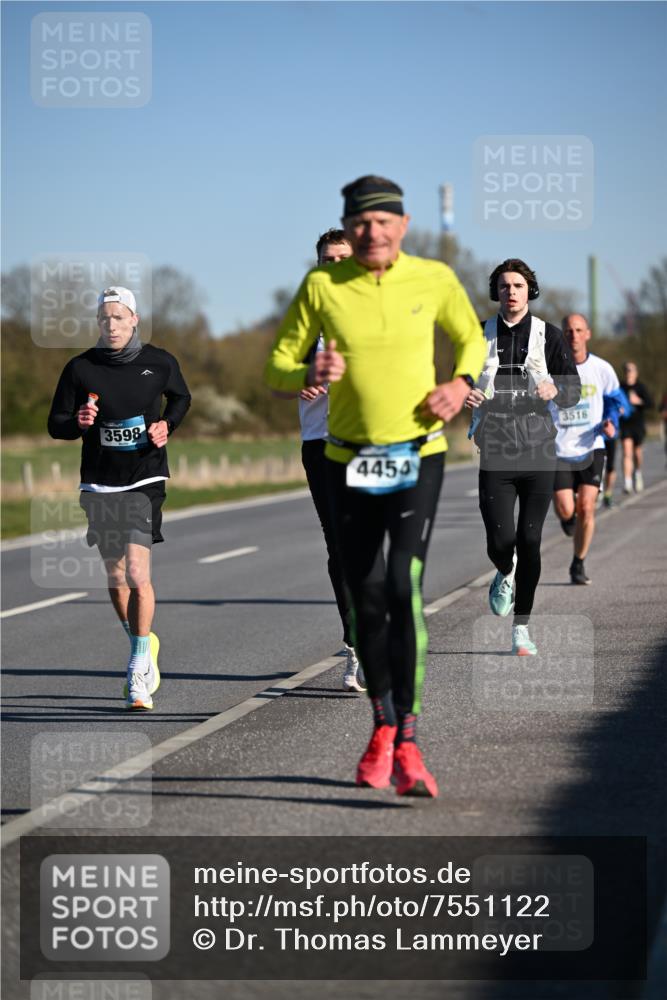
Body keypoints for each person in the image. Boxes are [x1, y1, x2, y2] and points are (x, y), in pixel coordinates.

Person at [265, 175, 486, 798]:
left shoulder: (435, 279)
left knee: (401, 582)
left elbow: (471, 337)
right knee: (363, 588)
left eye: (382, 221)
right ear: (348, 225)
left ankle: (410, 740)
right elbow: (274, 367)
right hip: (343, 456)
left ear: (403, 225)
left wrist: (462, 383)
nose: (371, 232)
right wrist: (305, 370)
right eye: (359, 222)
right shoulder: (320, 287)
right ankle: (382, 726)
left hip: (419, 451)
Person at [48, 286, 191, 710]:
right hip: (99, 482)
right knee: (115, 579)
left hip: (144, 478)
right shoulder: (80, 368)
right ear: (98, 323)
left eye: (119, 316)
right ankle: (143, 642)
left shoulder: (159, 362)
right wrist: (78, 421)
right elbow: (56, 424)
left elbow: (181, 398)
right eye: (104, 318)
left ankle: (137, 669)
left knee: (136, 571)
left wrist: (168, 425)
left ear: (134, 321)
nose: (111, 324)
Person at [465, 260, 581, 652]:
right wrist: (464, 391)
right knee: (501, 542)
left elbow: (573, 390)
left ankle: (522, 627)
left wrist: (556, 391)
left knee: (530, 538)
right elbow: (459, 378)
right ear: (495, 292)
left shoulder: (548, 335)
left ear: (529, 290)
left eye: (517, 285)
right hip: (495, 445)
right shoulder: (478, 333)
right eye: (503, 286)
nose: (510, 291)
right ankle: (504, 569)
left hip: (538, 446)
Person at [275, 228, 364, 692]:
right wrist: (297, 378)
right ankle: (355, 645)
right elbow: (276, 372)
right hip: (320, 442)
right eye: (327, 259)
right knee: (340, 549)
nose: (334, 266)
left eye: (342, 258)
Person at [551, 314, 625, 585]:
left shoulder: (602, 368)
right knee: (566, 509)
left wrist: (611, 423)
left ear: (587, 334)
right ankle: (567, 519)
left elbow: (616, 401)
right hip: (558, 447)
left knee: (587, 507)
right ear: (562, 335)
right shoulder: (551, 368)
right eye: (568, 331)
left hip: (592, 445)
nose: (573, 335)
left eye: (578, 330)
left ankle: (578, 563)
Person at [619, 361, 653, 493]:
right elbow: (613, 401)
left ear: (636, 373)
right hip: (625, 424)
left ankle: (637, 473)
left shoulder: (641, 387)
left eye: (631, 370)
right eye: (627, 370)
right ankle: (627, 483)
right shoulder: (620, 387)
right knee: (626, 452)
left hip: (638, 424)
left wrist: (639, 401)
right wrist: (618, 409)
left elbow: (650, 404)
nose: (628, 373)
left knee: (637, 454)